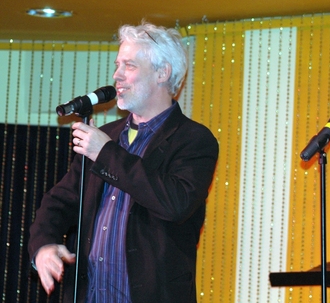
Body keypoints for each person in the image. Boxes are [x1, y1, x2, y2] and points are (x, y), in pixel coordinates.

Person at [28, 21, 219, 302]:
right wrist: (43, 246)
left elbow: (174, 203)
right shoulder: (106, 137)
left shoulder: (193, 140)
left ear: (162, 73)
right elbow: (60, 202)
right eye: (118, 65)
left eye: (129, 66)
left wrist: (106, 153)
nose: (117, 75)